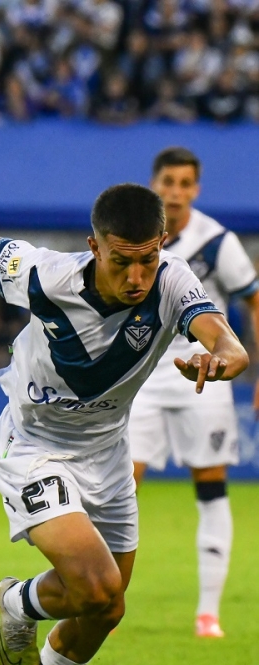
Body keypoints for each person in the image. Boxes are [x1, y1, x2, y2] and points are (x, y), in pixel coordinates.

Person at [0, 183, 247, 665]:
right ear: (94, 248)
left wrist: (224, 357)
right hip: (33, 445)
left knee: (107, 608)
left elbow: (226, 339)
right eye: (122, 262)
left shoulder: (172, 282)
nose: (137, 277)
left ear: (161, 246)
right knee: (94, 587)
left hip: (108, 453)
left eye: (148, 259)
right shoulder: (45, 275)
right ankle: (16, 600)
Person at [128, 147, 259, 639]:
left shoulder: (216, 241)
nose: (176, 191)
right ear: (154, 183)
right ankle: (106, 600)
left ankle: (208, 613)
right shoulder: (137, 234)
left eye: (185, 183)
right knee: (123, 487)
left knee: (210, 484)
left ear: (196, 189)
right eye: (168, 181)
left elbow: (252, 298)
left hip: (206, 377)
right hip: (140, 378)